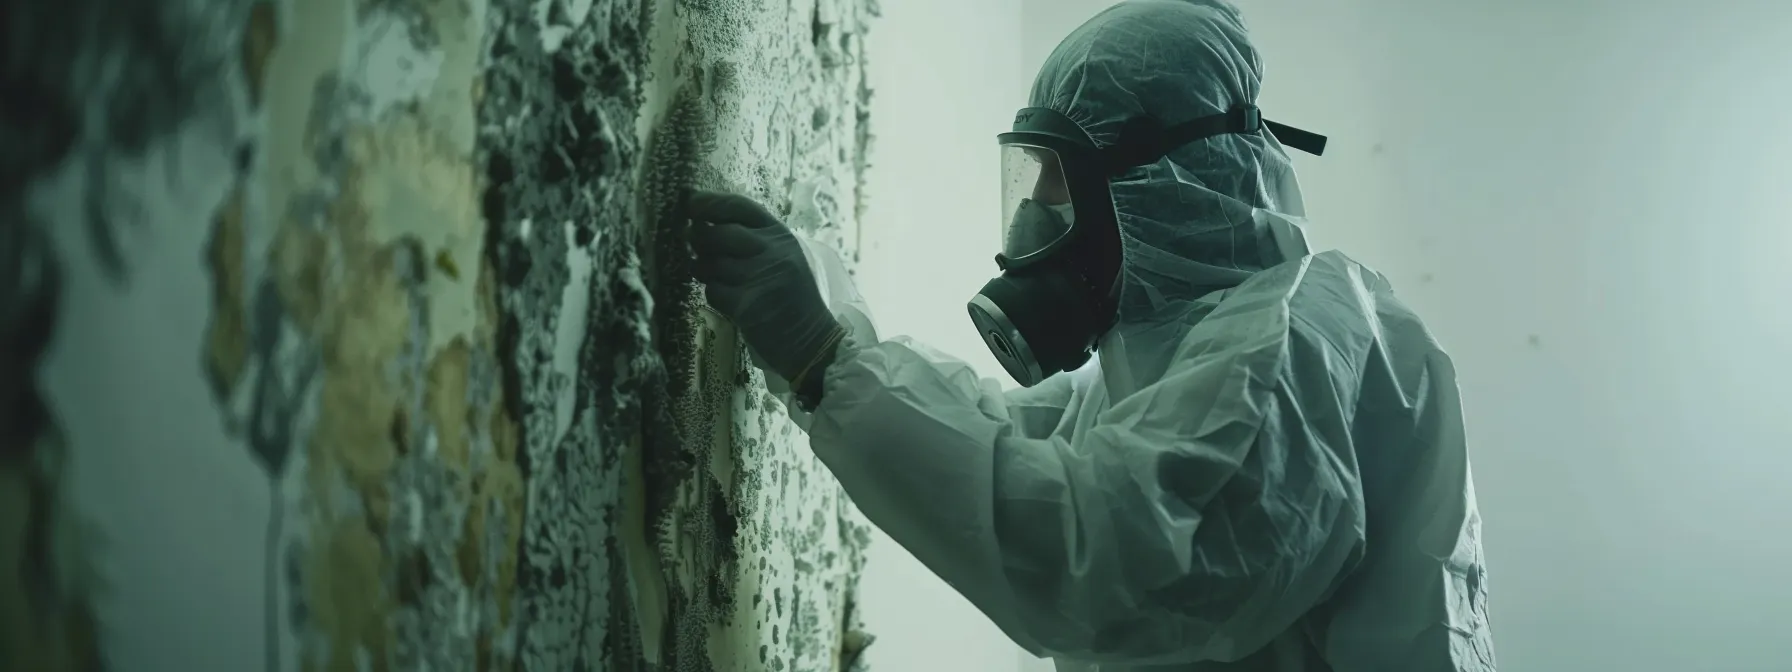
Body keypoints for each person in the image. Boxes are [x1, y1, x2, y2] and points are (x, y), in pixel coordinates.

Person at [683, 0, 1497, 670]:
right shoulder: (1171, 363)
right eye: (1026, 176)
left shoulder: (1303, 336)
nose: (1035, 218)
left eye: (1059, 180)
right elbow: (1012, 439)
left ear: (1166, 178)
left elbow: (1115, 558)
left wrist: (827, 364)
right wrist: (831, 340)